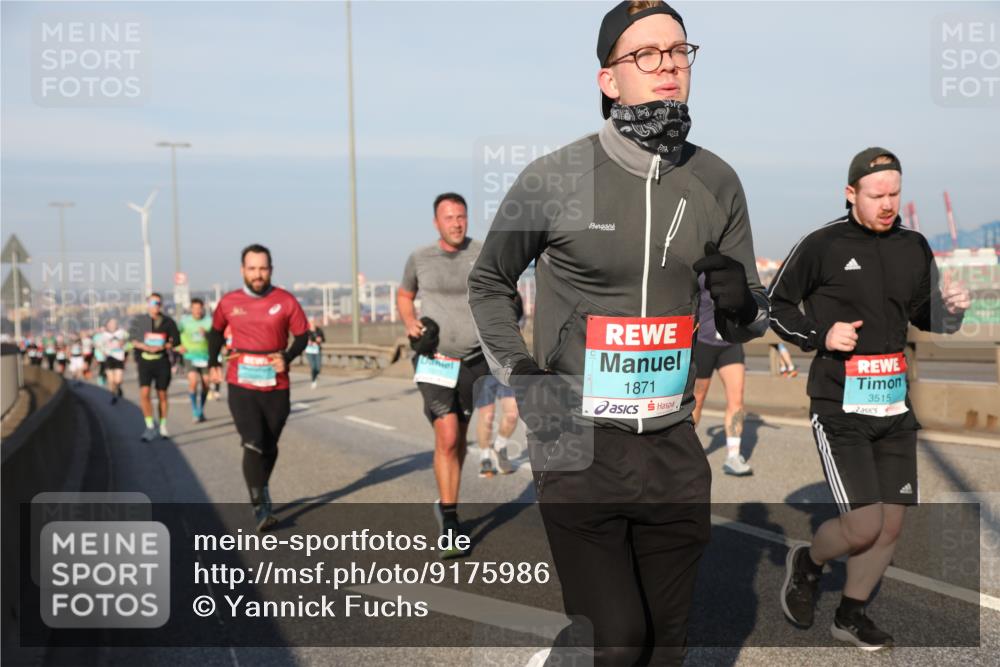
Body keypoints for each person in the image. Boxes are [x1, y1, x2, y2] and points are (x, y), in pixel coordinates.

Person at [468, 3, 769, 663]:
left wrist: (741, 303)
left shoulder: (718, 181)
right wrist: (524, 377)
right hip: (576, 441)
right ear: (609, 79)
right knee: (620, 637)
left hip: (672, 443)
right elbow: (489, 282)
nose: (668, 64)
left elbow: (750, 312)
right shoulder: (554, 177)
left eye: (679, 50)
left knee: (666, 643)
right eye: (647, 54)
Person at [769, 147, 971, 650]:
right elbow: (773, 306)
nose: (887, 204)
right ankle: (808, 562)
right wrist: (820, 334)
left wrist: (952, 311)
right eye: (876, 194)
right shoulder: (822, 244)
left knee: (891, 524)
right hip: (839, 405)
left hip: (893, 405)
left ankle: (851, 614)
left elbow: (927, 318)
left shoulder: (914, 245)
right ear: (851, 193)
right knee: (863, 525)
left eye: (895, 194)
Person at [398, 192, 488, 559]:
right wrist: (410, 322)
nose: (456, 223)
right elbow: (405, 295)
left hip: (475, 359)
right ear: (436, 222)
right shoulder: (420, 258)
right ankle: (450, 522)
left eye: (461, 216)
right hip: (434, 358)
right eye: (449, 217)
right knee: (447, 435)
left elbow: (502, 290)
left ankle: (447, 503)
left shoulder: (482, 251)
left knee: (460, 437)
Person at [207, 244, 309, 533]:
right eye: (252, 268)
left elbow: (302, 336)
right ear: (242, 270)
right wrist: (213, 362)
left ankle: (259, 486)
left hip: (276, 382)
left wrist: (286, 357)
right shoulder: (229, 302)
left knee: (270, 444)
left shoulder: (286, 301)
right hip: (241, 380)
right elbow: (215, 332)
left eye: (263, 268)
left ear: (271, 270)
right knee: (252, 442)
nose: (257, 274)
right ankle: (260, 507)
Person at [691, 274, 751, 475]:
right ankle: (687, 452)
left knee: (737, 399)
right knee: (697, 400)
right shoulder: (699, 273)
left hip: (730, 343)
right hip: (704, 343)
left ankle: (733, 456)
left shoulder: (736, 269)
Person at [131, 293, 180, 441]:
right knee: (144, 393)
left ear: (161, 305)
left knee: (162, 394)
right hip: (145, 362)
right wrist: (145, 346)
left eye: (158, 303)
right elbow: (133, 340)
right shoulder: (140, 321)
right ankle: (149, 426)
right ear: (148, 304)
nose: (155, 306)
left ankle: (163, 425)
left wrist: (162, 346)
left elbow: (175, 341)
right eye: (153, 303)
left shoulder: (168, 322)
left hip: (162, 361)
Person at [177, 298, 213, 423]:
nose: (197, 311)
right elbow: (175, 334)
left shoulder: (209, 321)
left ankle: (200, 410)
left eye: (199, 308)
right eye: (195, 308)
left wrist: (207, 334)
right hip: (190, 355)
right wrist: (178, 346)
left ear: (203, 309)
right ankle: (194, 410)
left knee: (206, 384)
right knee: (193, 381)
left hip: (205, 356)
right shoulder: (184, 322)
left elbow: (216, 337)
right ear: (191, 309)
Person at [100, 318, 129, 403]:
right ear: (108, 325)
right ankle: (112, 395)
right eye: (111, 323)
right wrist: (103, 352)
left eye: (114, 323)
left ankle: (118, 388)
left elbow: (129, 343)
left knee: (118, 380)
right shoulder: (104, 335)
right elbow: (99, 345)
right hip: (109, 358)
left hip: (119, 357)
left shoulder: (122, 333)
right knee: (111, 380)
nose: (113, 325)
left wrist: (124, 345)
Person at [304, 318, 326, 389]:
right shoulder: (306, 331)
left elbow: (324, 339)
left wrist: (320, 339)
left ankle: (315, 375)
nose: (312, 323)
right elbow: (302, 340)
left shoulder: (319, 331)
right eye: (311, 322)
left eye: (313, 322)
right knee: (313, 366)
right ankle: (313, 381)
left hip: (317, 350)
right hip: (309, 351)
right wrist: (307, 342)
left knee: (318, 368)